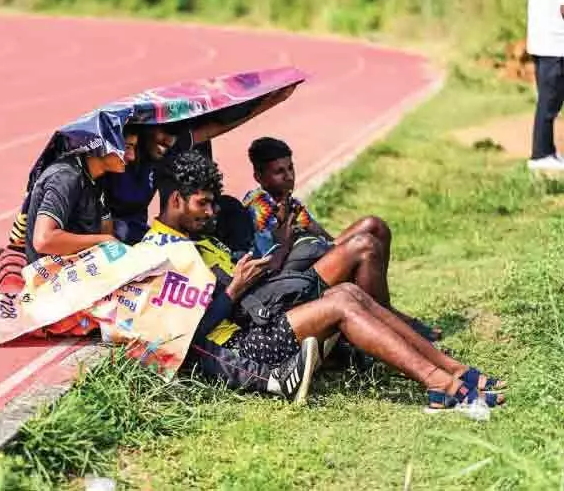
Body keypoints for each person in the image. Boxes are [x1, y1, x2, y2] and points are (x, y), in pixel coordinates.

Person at [150, 150, 506, 410]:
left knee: (348, 291)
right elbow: (182, 335)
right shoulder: (159, 254)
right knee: (340, 302)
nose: (212, 213)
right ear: (177, 199)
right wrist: (233, 289)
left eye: (213, 204)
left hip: (262, 318)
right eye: (203, 204)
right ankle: (440, 383)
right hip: (242, 347)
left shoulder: (199, 239)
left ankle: (451, 369)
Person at [243, 137, 442, 341]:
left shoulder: (287, 201)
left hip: (306, 258)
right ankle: (391, 322)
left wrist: (322, 237)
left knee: (374, 226)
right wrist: (287, 235)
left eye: (290, 168)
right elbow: (271, 266)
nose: (288, 176)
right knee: (365, 246)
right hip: (284, 280)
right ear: (259, 177)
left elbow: (325, 238)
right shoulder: (260, 207)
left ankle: (384, 307)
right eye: (279, 172)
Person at [104, 86, 298, 244]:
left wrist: (272, 100)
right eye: (164, 134)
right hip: (111, 237)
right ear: (147, 129)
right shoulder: (117, 156)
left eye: (173, 137)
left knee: (229, 207)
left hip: (143, 235)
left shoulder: (164, 147)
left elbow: (216, 128)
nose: (168, 142)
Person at [24, 146, 134, 263]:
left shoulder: (99, 177)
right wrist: (103, 241)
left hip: (82, 265)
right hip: (51, 275)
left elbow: (106, 229)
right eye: (126, 147)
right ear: (102, 145)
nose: (132, 156)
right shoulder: (65, 177)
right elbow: (43, 240)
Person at [527, 0, 564, 172]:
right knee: (549, 103)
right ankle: (540, 155)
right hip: (556, 46)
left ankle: (547, 151)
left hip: (540, 43)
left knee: (547, 101)